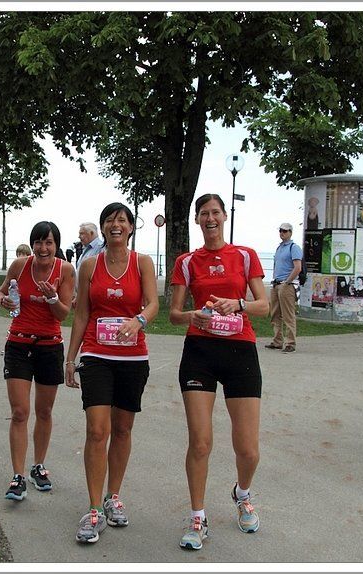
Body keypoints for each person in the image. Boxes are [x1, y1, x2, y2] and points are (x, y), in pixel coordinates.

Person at [168, 194, 269, 550]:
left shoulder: (245, 255)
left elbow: (264, 305)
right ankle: (198, 516)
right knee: (200, 442)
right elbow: (174, 314)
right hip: (200, 352)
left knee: (248, 449)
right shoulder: (186, 261)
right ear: (197, 220)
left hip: (241, 351)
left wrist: (238, 304)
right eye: (203, 214)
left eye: (215, 212)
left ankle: (243, 494)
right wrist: (192, 315)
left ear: (225, 216)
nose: (210, 218)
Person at [65, 202, 159, 544]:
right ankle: (94, 509)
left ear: (131, 227)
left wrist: (139, 320)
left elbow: (153, 303)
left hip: (133, 358)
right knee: (96, 430)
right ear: (103, 228)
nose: (115, 224)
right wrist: (70, 358)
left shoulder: (142, 262)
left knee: (122, 429)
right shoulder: (89, 265)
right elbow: (81, 314)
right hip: (96, 354)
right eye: (109, 220)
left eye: (122, 219)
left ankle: (113, 496)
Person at [0, 222, 75, 501]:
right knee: (20, 412)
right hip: (18, 344)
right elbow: (1, 292)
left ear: (56, 246)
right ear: (32, 244)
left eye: (49, 243)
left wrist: (52, 298)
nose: (43, 248)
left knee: (44, 411)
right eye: (38, 242)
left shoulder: (65, 270)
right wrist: (3, 300)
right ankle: (17, 476)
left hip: (49, 347)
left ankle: (38, 466)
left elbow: (63, 314)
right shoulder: (20, 265)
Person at [265, 222, 302, 353]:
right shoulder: (279, 247)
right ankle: (277, 341)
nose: (282, 233)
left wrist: (287, 282)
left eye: (285, 231)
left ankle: (290, 343)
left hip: (287, 285)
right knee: (275, 314)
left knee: (288, 314)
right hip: (276, 283)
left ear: (290, 232)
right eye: (280, 230)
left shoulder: (294, 247)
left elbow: (298, 267)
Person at [72, 222, 105, 301]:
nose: (79, 236)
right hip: (82, 296)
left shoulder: (101, 249)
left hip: (90, 298)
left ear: (91, 233)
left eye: (81, 233)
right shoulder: (86, 249)